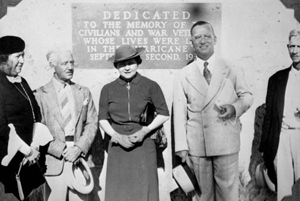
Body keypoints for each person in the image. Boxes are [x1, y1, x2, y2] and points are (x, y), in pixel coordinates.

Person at [173, 21, 253, 201]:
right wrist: (181, 147)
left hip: (226, 143)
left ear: (215, 39)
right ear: (191, 42)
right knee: (203, 197)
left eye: (207, 36)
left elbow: (247, 96)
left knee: (228, 196)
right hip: (198, 146)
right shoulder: (183, 74)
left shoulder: (232, 68)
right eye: (197, 37)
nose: (203, 41)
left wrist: (235, 108)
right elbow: (179, 115)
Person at [99, 44, 169, 201]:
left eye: (130, 63)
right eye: (122, 64)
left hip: (144, 143)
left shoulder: (151, 86)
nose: (127, 68)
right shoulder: (107, 89)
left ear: (138, 62)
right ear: (116, 66)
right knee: (119, 189)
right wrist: (116, 136)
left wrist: (144, 131)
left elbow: (164, 114)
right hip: (117, 144)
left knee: (145, 188)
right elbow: (102, 118)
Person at [34, 47, 98, 201]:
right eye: (64, 63)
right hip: (53, 164)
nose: (70, 67)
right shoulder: (39, 95)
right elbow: (37, 130)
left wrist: (79, 148)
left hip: (79, 160)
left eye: (72, 63)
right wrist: (62, 150)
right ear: (52, 66)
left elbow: (92, 123)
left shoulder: (83, 92)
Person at [0, 35, 44, 200]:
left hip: (30, 162)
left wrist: (34, 147)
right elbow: (1, 128)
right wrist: (26, 151)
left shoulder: (22, 82)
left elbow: (36, 115)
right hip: (8, 164)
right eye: (18, 56)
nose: (22, 60)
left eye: (23, 55)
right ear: (3, 58)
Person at [260, 29, 300, 201]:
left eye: (299, 46)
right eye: (292, 46)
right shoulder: (276, 79)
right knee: (284, 189)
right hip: (282, 137)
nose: (295, 50)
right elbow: (269, 116)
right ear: (287, 47)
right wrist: (264, 148)